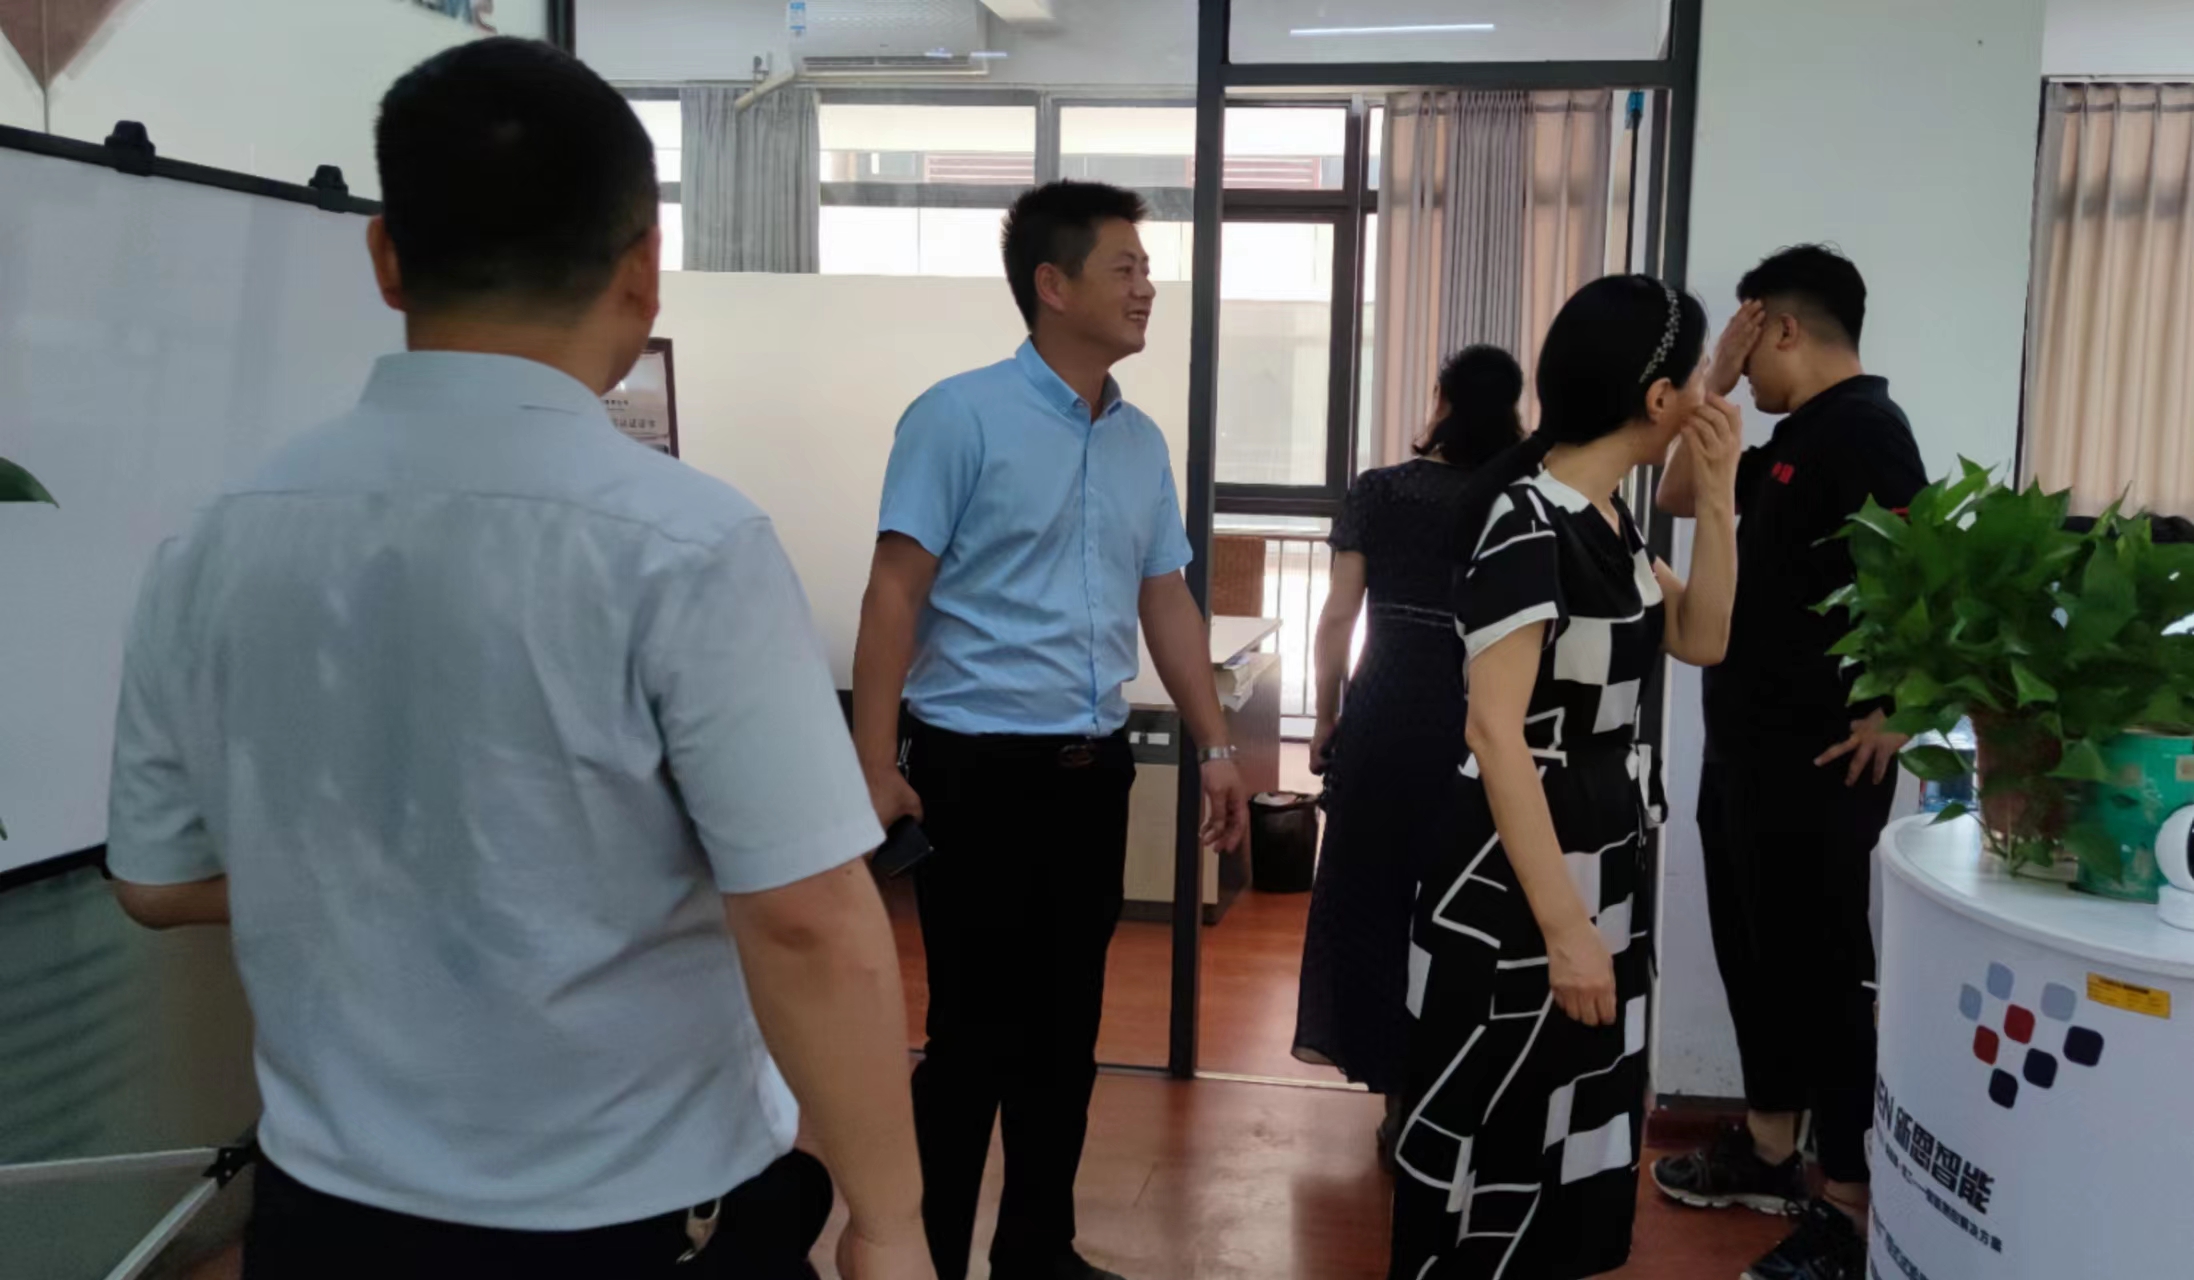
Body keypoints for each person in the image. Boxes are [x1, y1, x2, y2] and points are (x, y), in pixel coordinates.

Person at [105, 39, 931, 1280]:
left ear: (386, 256)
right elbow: (807, 919)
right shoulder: (686, 543)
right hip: (628, 1226)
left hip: (325, 1222)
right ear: (644, 268)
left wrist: (423, 867)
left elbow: (157, 879)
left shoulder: (215, 539)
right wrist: (890, 1219)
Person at [850, 179, 1251, 1280]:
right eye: (1125, 267)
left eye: (1147, 269)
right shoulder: (958, 416)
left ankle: (1037, 1250)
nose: (1147, 287)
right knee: (970, 1038)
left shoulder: (1139, 441)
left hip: (1091, 771)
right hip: (973, 773)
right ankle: (925, 1258)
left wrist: (1216, 746)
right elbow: (893, 593)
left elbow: (1166, 596)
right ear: (1052, 283)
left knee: (1067, 1032)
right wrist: (874, 765)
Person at [1388, 275, 1742, 1280]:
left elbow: (1703, 637)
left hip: (1598, 847)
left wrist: (1718, 501)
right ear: (1660, 397)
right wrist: (1565, 929)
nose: (1707, 398)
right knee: (1498, 1111)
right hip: (1519, 873)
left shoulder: (1606, 517)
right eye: (1697, 379)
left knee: (1570, 1108)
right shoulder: (1529, 521)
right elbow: (1495, 734)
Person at [1651, 245, 1927, 1280]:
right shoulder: (1790, 433)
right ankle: (1770, 1148)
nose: (1741, 356)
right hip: (1748, 752)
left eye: (1745, 334)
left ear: (1782, 326)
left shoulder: (1864, 430)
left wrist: (1898, 706)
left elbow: (1927, 571)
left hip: (1816, 762)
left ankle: (1848, 1207)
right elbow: (1678, 493)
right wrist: (1715, 382)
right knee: (1754, 955)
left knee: (1819, 976)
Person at [1293, 345, 1527, 1159]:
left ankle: (1399, 1104)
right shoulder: (1516, 496)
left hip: (1386, 709)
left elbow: (1337, 618)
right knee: (1465, 909)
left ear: (1440, 400)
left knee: (1377, 901)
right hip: (1479, 715)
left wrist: (1327, 718)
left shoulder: (1380, 490)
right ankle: (1457, 1097)